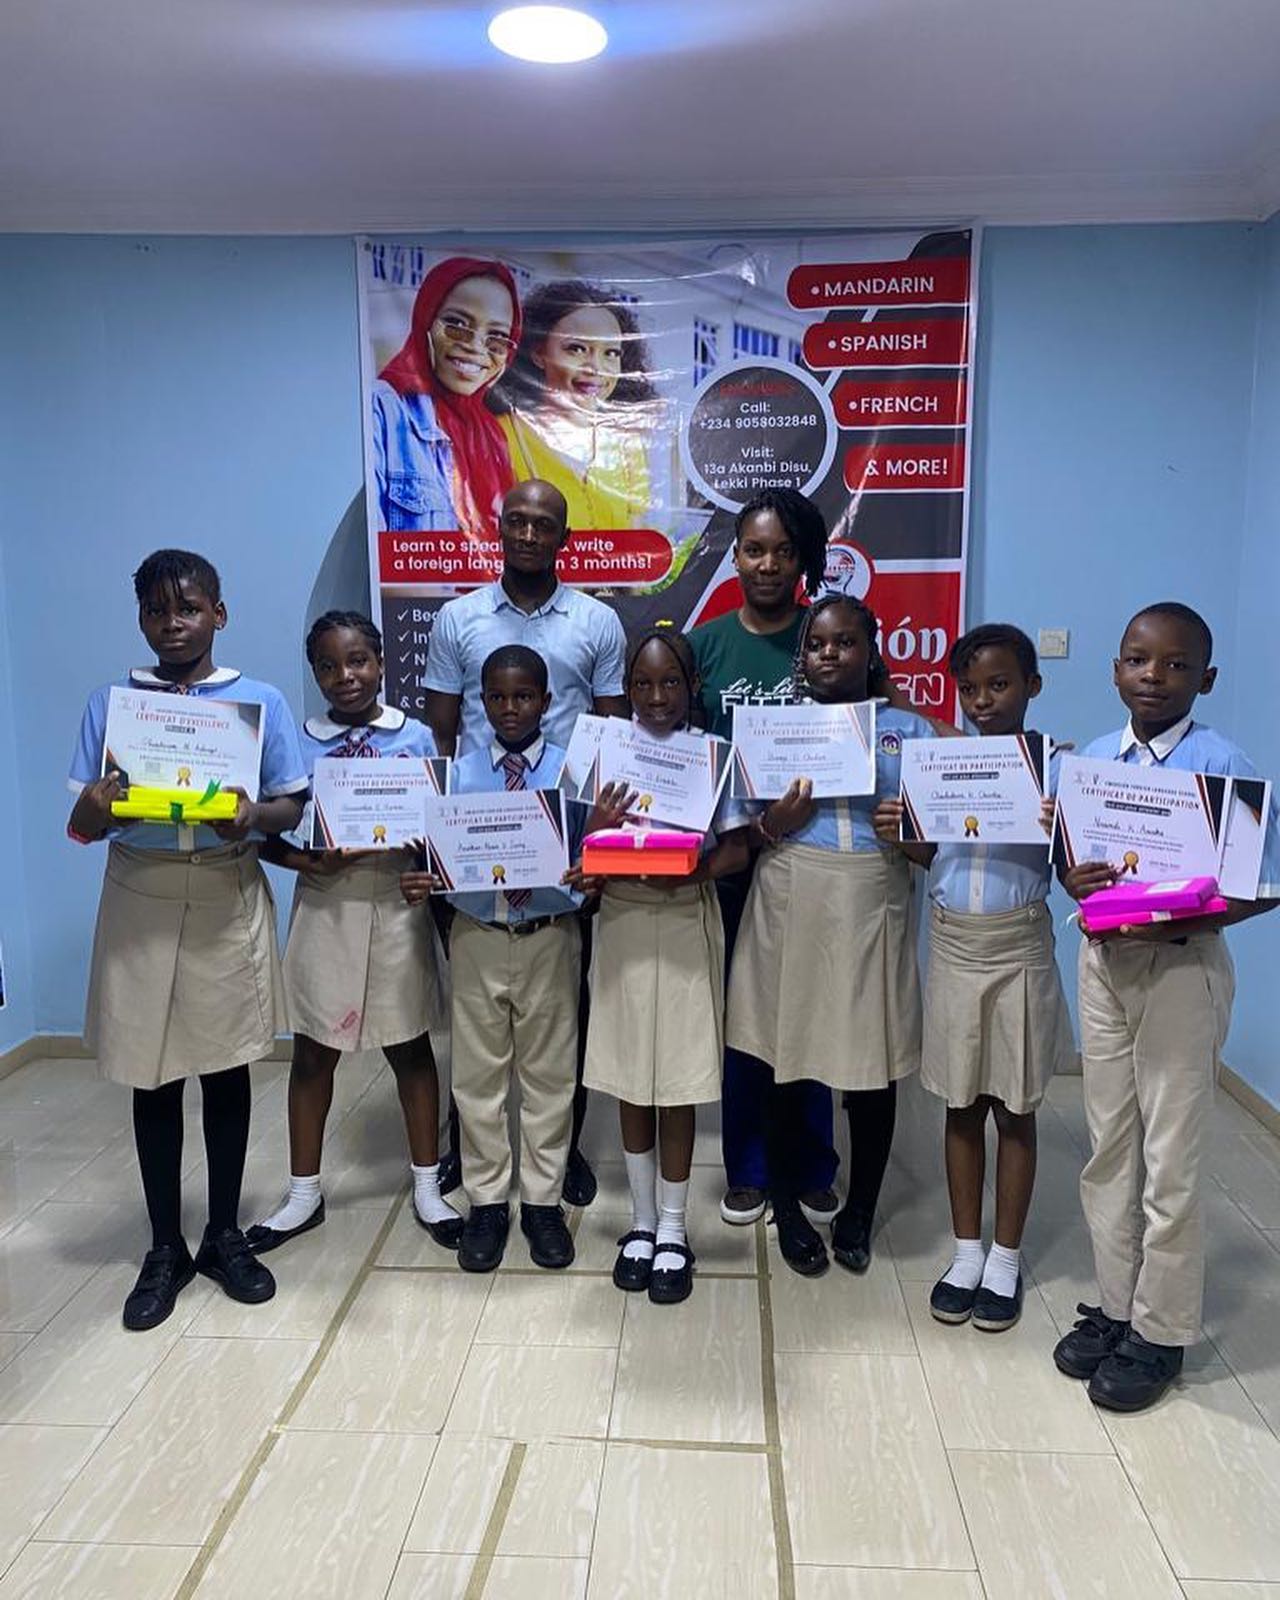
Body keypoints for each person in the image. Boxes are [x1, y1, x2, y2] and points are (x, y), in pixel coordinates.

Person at [67, 549, 308, 1330]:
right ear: (141, 619)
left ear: (219, 614)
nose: (173, 624)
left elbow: (290, 806)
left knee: (227, 1067)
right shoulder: (114, 706)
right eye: (157, 611)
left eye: (190, 608)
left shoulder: (258, 701)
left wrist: (253, 815)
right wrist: (96, 806)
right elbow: (81, 826)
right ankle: (165, 1247)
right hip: (139, 893)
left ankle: (224, 1235)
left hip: (223, 890)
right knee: (154, 1075)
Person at [1053, 602, 1279, 1412]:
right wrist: (1073, 879)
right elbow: (1074, 867)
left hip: (1182, 969)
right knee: (1109, 1146)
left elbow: (1263, 886)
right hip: (1104, 963)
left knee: (1170, 1158)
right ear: (1116, 669)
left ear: (1205, 679)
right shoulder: (1093, 762)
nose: (1154, 676)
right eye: (1138, 660)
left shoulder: (1224, 768)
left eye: (1177, 665)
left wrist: (1186, 915)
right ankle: (1118, 1306)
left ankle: (1161, 1330)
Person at [423, 478, 629, 1204]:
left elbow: (612, 732)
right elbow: (441, 735)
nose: (530, 535)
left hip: (564, 839)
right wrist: (441, 847)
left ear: (564, 537)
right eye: (517, 521)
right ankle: (470, 1153)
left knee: (561, 1011)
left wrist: (597, 843)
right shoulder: (458, 619)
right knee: (478, 1020)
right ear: (499, 527)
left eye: (544, 524)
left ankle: (560, 1156)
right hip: (477, 833)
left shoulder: (597, 621)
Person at [726, 593, 935, 1276]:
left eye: (845, 642)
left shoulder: (911, 733)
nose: (829, 654)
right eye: (816, 644)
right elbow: (741, 832)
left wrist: (907, 832)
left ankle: (861, 1210)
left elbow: (935, 851)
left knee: (872, 1063)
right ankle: (787, 1208)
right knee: (785, 1057)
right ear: (802, 658)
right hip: (790, 892)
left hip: (873, 896)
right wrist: (774, 822)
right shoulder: (769, 730)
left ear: (870, 653)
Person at [875, 624, 1073, 1333]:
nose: (983, 700)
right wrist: (902, 829)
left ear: (1032, 686)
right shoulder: (939, 764)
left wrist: (1062, 824)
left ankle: (1006, 1259)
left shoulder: (1058, 769)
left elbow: (1078, 869)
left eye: (999, 685)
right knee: (960, 1103)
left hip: (1019, 943)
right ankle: (966, 1253)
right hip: (955, 942)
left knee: (1014, 1107)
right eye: (969, 689)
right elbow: (933, 856)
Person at [247, 611, 460, 1255]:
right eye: (329, 666)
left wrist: (429, 861)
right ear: (315, 673)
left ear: (382, 663)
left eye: (359, 661)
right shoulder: (297, 742)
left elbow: (443, 825)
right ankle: (303, 1193)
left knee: (410, 1046)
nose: (346, 676)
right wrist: (304, 861)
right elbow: (263, 831)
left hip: (396, 903)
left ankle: (428, 1185)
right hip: (327, 901)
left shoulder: (414, 737)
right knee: (314, 1052)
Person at [572, 627, 749, 1304]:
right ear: (625, 689)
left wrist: (693, 869)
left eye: (669, 682)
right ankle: (641, 1223)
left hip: (682, 917)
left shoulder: (713, 755)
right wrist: (597, 822)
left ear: (691, 686)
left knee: (676, 1078)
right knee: (628, 1076)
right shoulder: (601, 749)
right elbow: (573, 843)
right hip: (621, 918)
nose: (655, 697)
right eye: (641, 684)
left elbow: (739, 848)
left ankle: (674, 1228)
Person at [401, 645, 584, 1273]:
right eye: (498, 698)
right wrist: (425, 877)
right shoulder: (456, 777)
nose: (511, 708)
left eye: (524, 697)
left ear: (546, 702)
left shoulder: (572, 772)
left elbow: (592, 855)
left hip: (550, 933)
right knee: (477, 1078)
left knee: (550, 1077)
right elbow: (435, 857)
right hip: (478, 933)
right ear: (481, 703)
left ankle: (542, 1202)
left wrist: (589, 869)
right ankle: (486, 1202)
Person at [688, 488, 841, 1230]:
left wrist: (1003, 760)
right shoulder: (706, 644)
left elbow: (893, 720)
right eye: (754, 550)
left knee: (811, 1008)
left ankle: (812, 1162)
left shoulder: (829, 636)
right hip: (733, 858)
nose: (769, 564)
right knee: (743, 1019)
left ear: (804, 558)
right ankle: (747, 1167)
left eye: (784, 551)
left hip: (815, 857)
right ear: (736, 557)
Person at [491, 279, 661, 529]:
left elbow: (636, 534)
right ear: (538, 353)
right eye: (577, 349)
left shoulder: (627, 444)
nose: (596, 368)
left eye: (611, 353)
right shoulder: (499, 435)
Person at [371, 256, 521, 535]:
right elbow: (373, 546)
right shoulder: (383, 410)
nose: (475, 347)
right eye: (457, 325)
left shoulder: (494, 435)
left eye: (497, 337)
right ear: (426, 320)